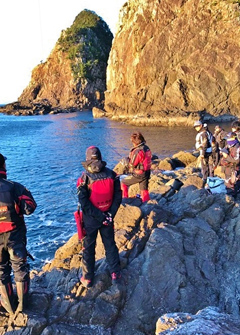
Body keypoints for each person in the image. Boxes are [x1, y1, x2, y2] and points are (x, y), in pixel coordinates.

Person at [76, 146, 122, 288]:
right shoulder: (113, 175)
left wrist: (99, 216)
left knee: (89, 247)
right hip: (108, 216)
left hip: (91, 219)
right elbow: (118, 197)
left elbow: (83, 202)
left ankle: (88, 277)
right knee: (110, 245)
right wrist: (109, 215)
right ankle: (115, 273)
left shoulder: (83, 178)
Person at [0, 153, 37, 315]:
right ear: (2, 167)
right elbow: (30, 207)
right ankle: (22, 306)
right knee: (19, 268)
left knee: (1, 272)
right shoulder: (15, 187)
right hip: (15, 237)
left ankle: (9, 307)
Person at [120, 132, 152, 202]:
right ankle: (146, 202)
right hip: (147, 172)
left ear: (134, 142)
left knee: (123, 182)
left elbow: (132, 165)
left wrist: (125, 162)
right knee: (144, 189)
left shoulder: (138, 151)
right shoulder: (146, 148)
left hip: (139, 174)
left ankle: (124, 200)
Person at [193, 120, 213, 187]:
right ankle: (209, 181)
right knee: (208, 167)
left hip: (206, 153)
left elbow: (205, 144)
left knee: (205, 168)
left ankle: (206, 181)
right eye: (195, 127)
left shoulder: (203, 133)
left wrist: (202, 154)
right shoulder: (206, 132)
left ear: (201, 126)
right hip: (208, 152)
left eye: (197, 126)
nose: (196, 128)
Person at [220, 132, 240, 197]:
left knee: (233, 184)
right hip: (228, 168)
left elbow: (237, 160)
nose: (227, 140)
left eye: (228, 139)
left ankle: (233, 198)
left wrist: (227, 157)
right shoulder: (229, 145)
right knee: (228, 183)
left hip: (234, 169)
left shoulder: (237, 147)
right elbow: (224, 149)